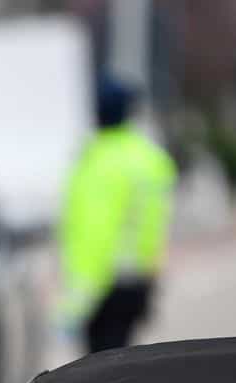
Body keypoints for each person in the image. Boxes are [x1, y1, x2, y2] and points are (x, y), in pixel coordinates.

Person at [56, 76, 177, 354]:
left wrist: (77, 301)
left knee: (100, 374)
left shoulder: (94, 161)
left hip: (101, 286)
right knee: (123, 363)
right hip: (136, 281)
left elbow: (95, 234)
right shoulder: (150, 159)